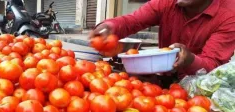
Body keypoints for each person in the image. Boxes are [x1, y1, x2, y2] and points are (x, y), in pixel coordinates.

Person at [91, 0, 235, 79]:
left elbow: (213, 65)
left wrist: (190, 59)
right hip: (163, 84)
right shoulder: (166, 3)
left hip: (199, 90)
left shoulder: (229, 15)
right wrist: (109, 27)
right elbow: (133, 20)